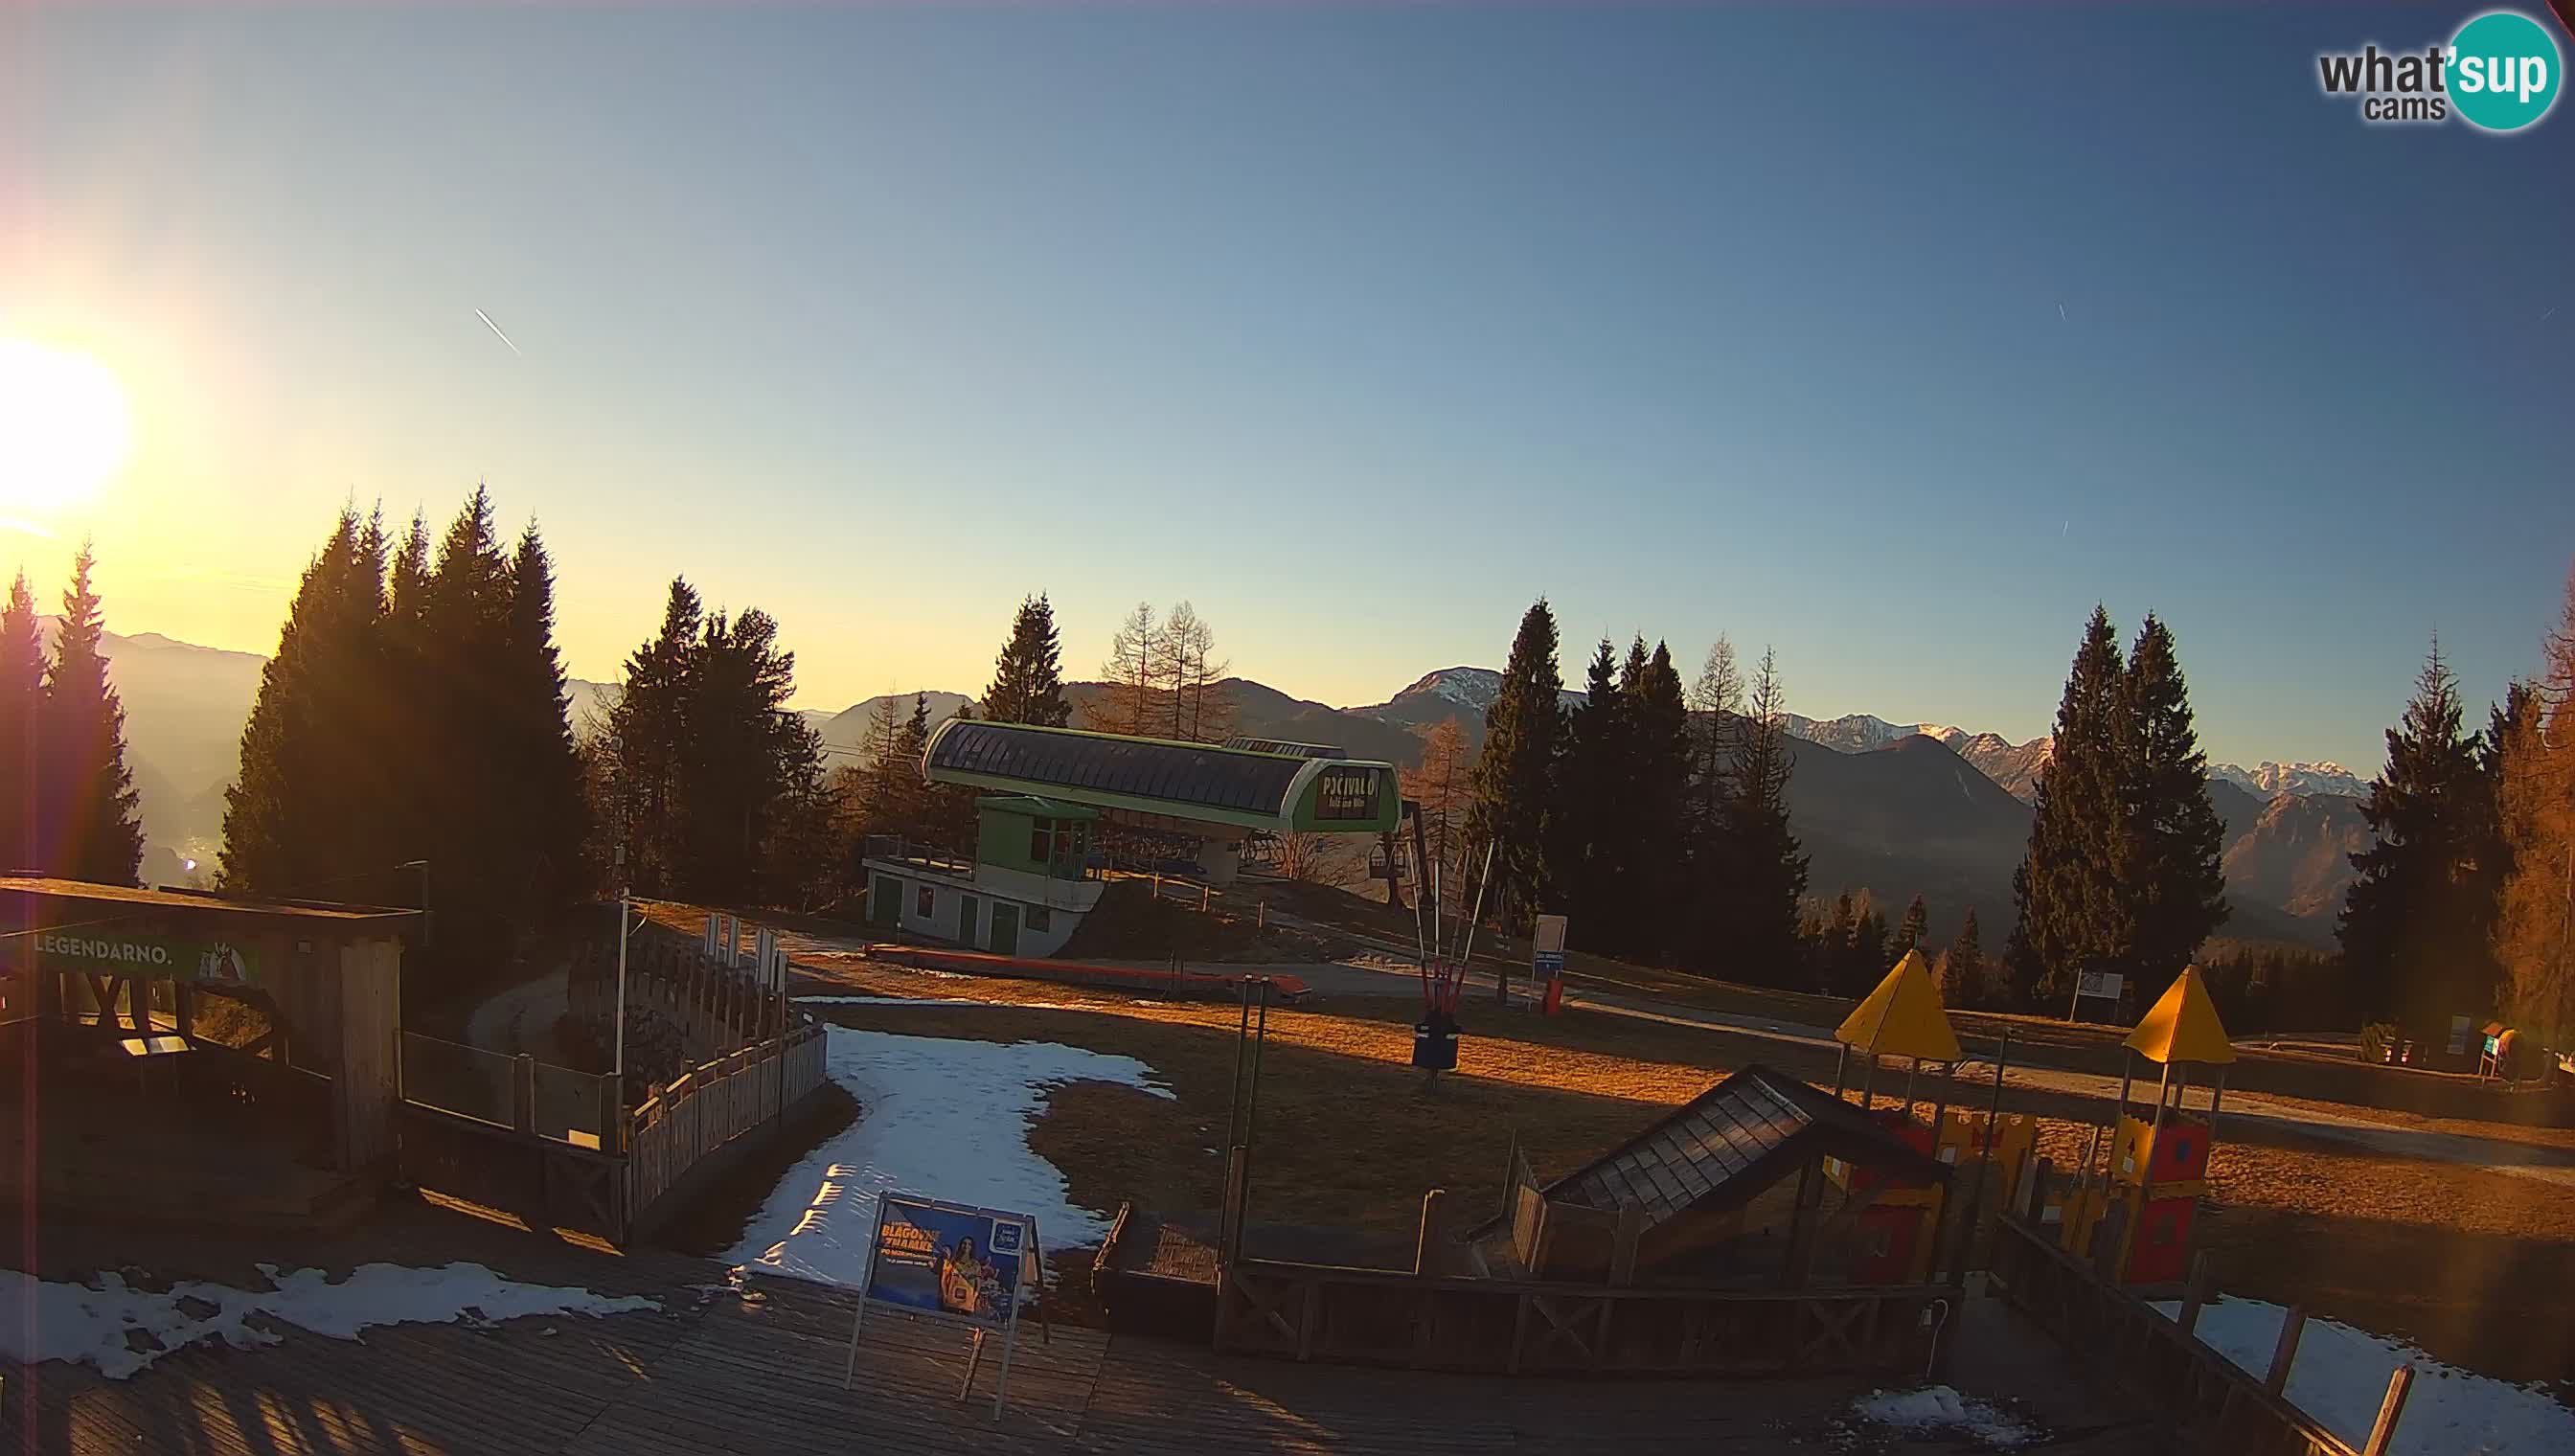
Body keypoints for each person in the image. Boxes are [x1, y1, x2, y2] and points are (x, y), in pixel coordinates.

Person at [938, 1235, 993, 1316]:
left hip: (967, 1305)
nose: (966, 1246)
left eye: (969, 1244)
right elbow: (944, 1279)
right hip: (951, 1302)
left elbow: (977, 1285)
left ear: (972, 1247)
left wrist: (973, 1300)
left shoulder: (975, 1265)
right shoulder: (952, 1261)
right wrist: (945, 1295)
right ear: (960, 1245)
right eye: (964, 1243)